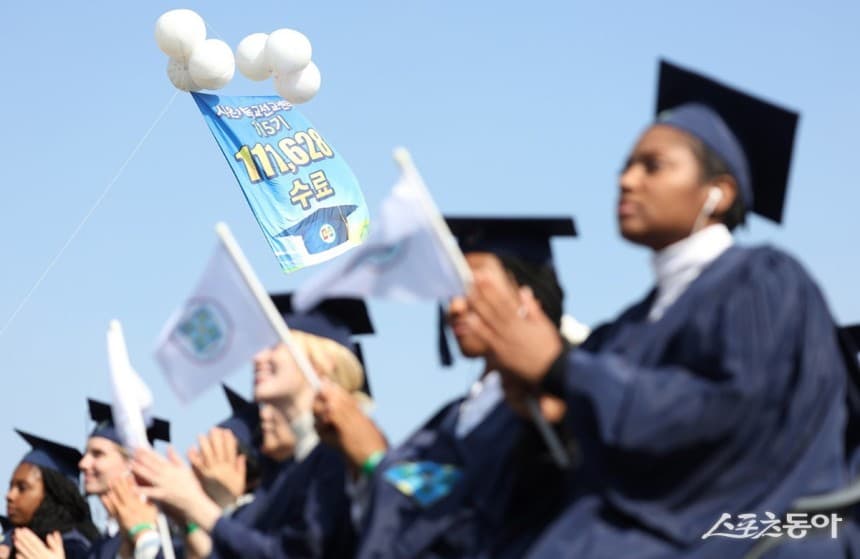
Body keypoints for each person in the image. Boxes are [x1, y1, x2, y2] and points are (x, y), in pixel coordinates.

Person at [463, 60, 850, 557]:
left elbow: (728, 415)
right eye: (625, 166)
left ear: (718, 192)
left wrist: (561, 368)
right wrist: (553, 415)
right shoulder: (631, 322)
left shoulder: (764, 281)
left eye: (653, 166)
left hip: (747, 528)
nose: (626, 181)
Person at [315, 216, 581, 559]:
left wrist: (375, 460)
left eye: (473, 287)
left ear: (529, 294)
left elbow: (470, 512)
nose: (454, 307)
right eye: (451, 290)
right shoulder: (453, 416)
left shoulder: (560, 400)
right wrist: (362, 462)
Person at [132, 295, 374, 559]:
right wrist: (188, 515)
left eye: (275, 346)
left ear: (322, 363)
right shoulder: (285, 475)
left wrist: (196, 506)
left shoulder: (340, 459)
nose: (257, 358)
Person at [77, 400, 172, 559]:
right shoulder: (101, 542)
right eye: (86, 453)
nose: (83, 464)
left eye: (98, 454)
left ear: (132, 462)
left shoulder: (162, 533)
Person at [7, 430, 98, 559]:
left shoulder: (77, 548)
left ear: (52, 494)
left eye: (22, 488)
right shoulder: (19, 544)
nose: (9, 495)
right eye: (11, 486)